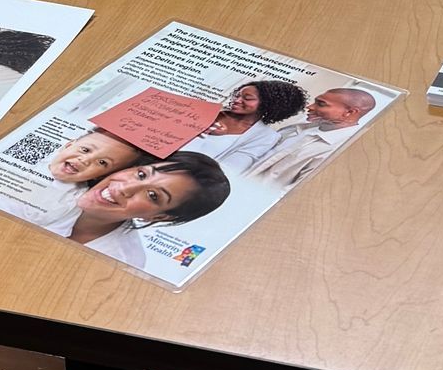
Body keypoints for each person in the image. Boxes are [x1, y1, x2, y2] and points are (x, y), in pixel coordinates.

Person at [67, 153, 231, 271]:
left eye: (153, 195)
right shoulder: (59, 179)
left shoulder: (124, 262)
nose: (125, 188)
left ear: (159, 216)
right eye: (141, 174)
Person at [236, 86, 379, 190]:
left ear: (350, 112)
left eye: (321, 104)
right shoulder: (299, 127)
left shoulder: (338, 151)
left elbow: (292, 194)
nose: (310, 107)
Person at [190, 78, 308, 173]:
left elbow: (228, 170)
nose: (237, 100)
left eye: (247, 98)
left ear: (266, 105)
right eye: (237, 95)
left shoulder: (266, 136)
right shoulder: (210, 112)